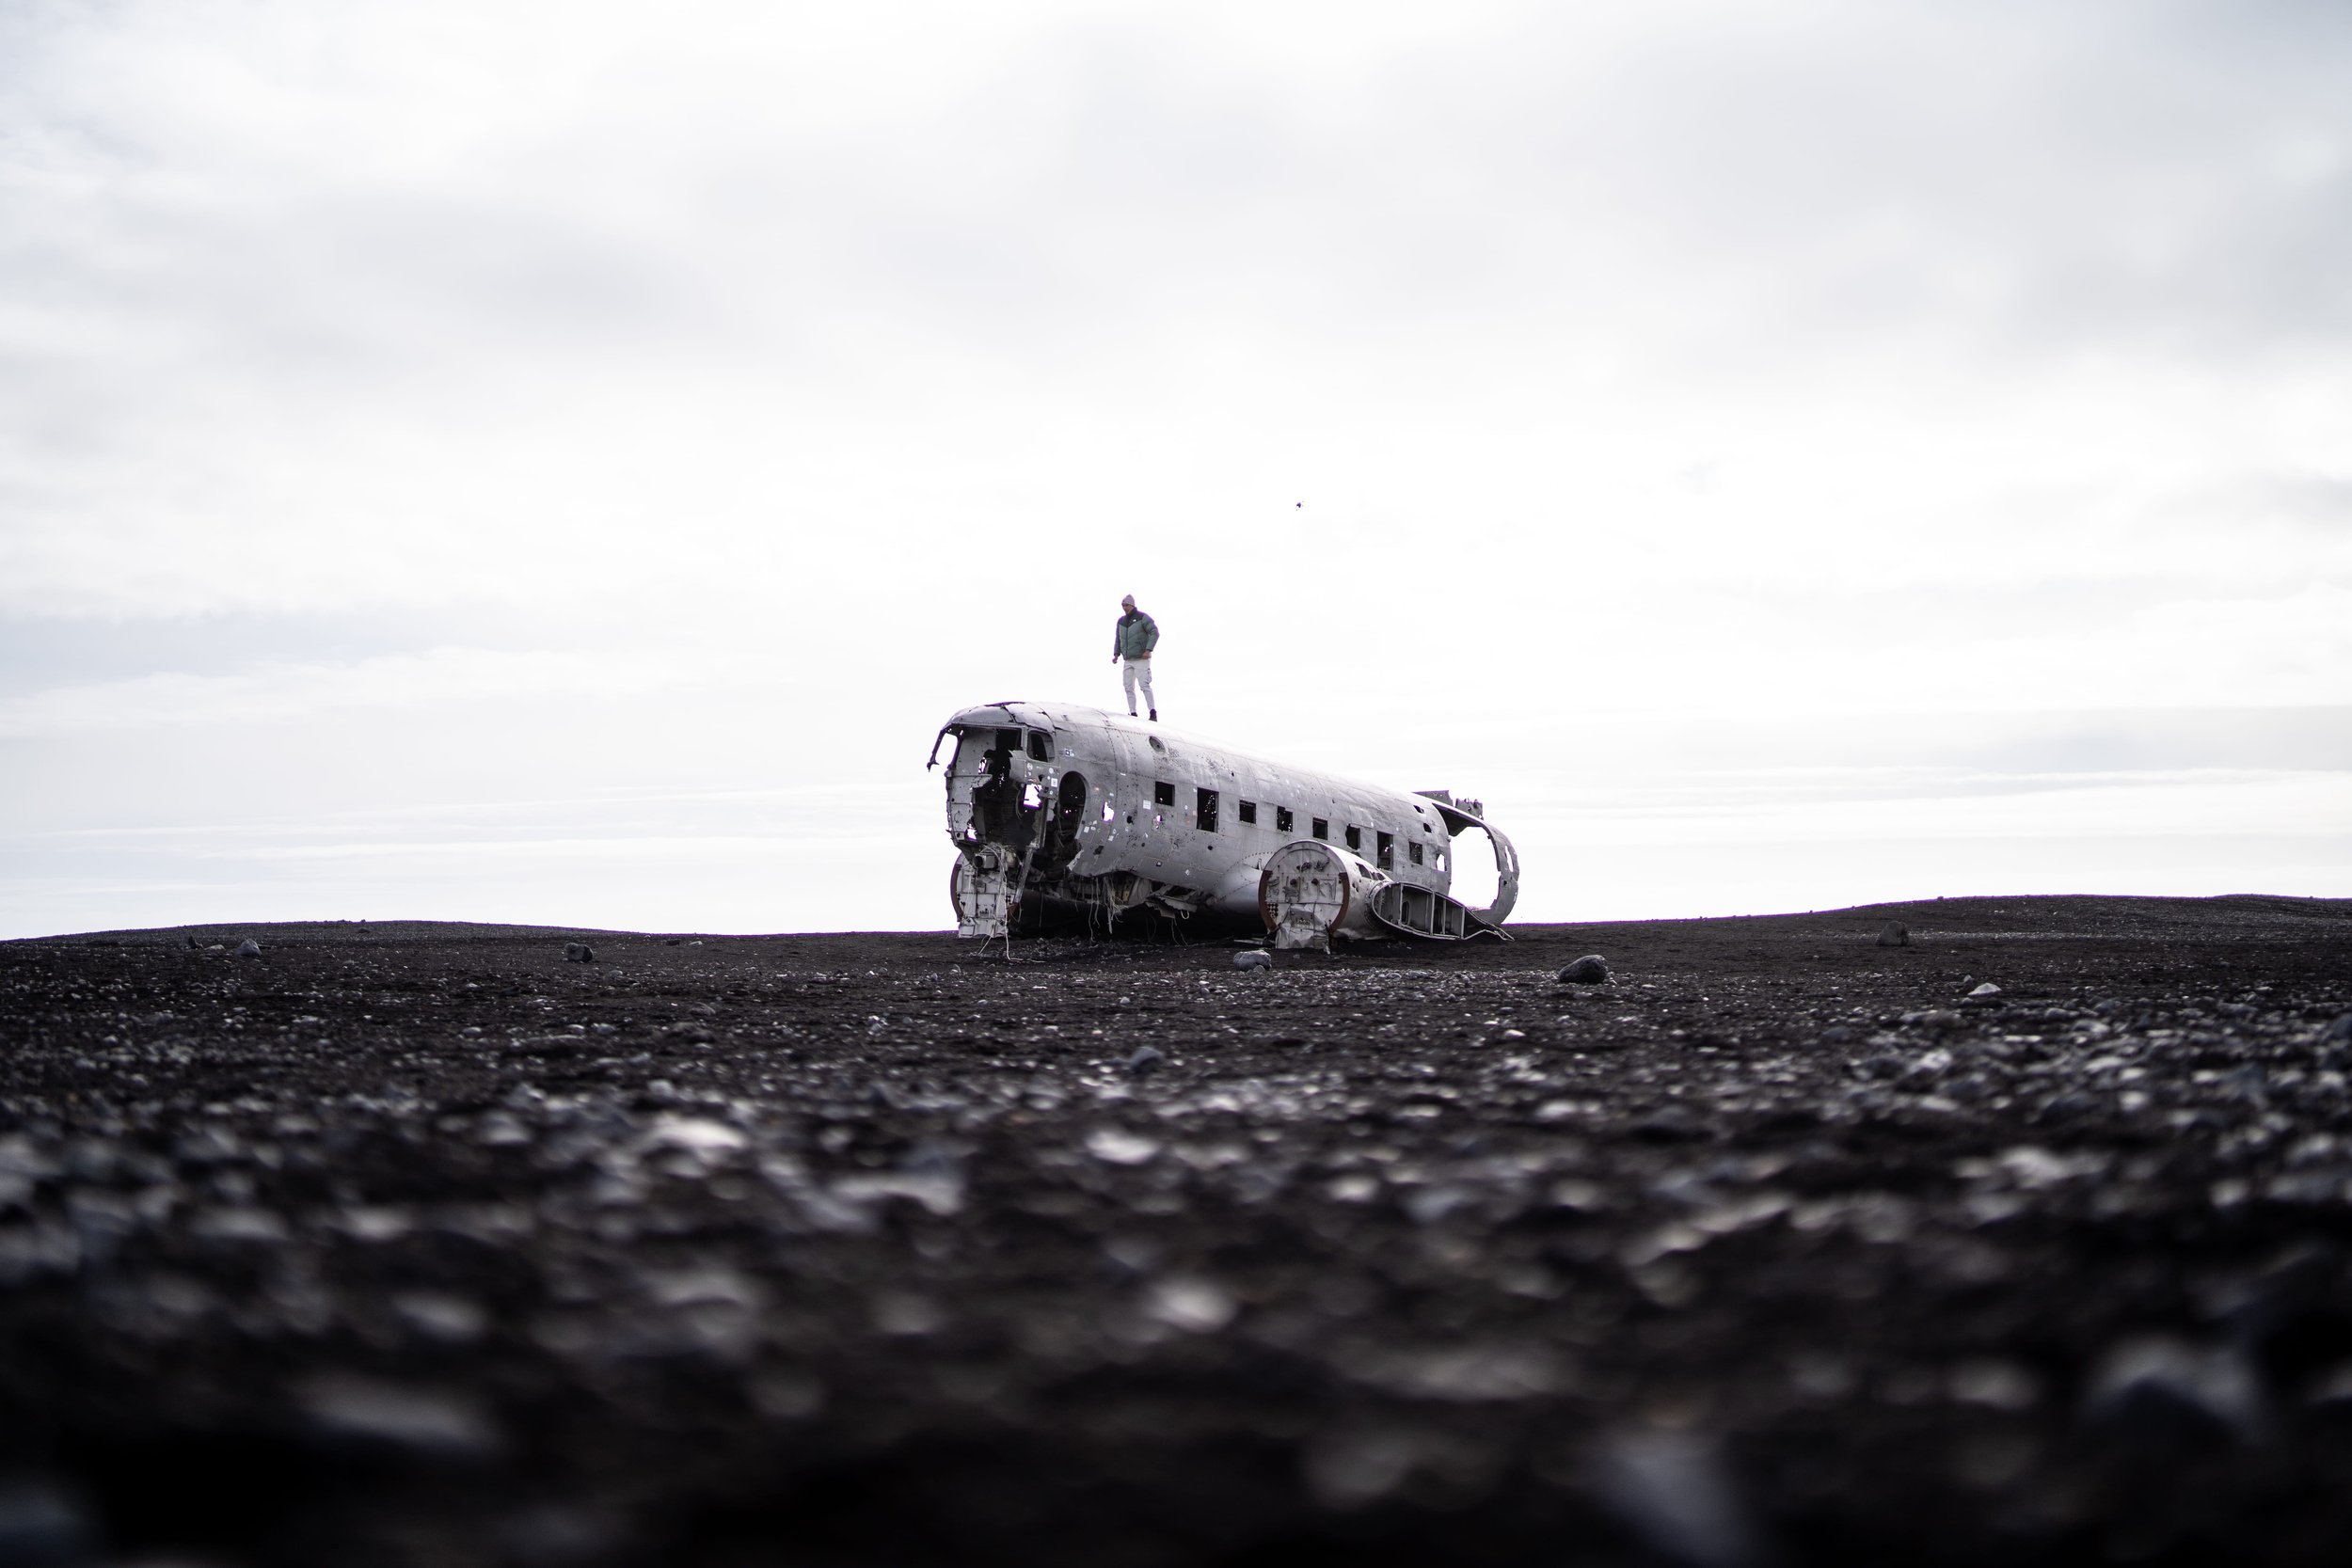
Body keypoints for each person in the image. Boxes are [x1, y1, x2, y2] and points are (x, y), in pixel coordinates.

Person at [1110, 594, 1159, 721]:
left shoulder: (1142, 617)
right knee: (1128, 687)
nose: (1124, 607)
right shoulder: (1121, 621)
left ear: (1132, 605)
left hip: (1141, 659)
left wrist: (1148, 650)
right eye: (1122, 605)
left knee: (1144, 685)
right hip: (1128, 660)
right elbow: (1118, 639)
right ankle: (1133, 713)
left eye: (1126, 605)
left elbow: (1154, 632)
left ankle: (1152, 712)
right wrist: (1116, 654)